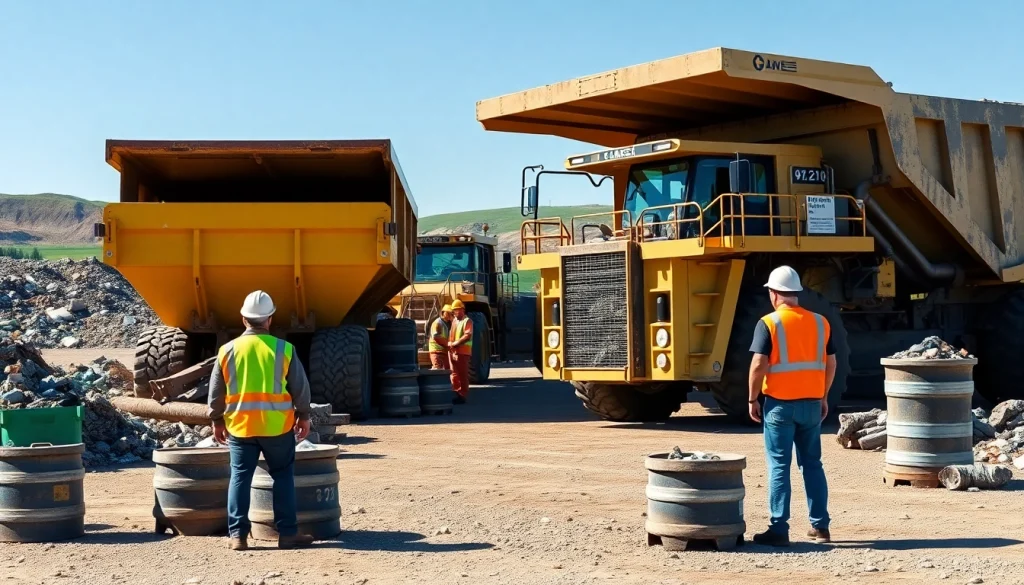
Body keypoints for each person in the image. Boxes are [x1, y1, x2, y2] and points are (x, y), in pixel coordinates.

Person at [208, 290, 315, 551]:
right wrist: (303, 416)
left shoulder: (227, 350)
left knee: (240, 478)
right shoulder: (284, 349)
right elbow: (300, 388)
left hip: (240, 426)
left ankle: (238, 536)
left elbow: (216, 392)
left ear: (244, 319)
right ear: (270, 319)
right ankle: (287, 534)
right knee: (283, 477)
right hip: (277, 426)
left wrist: (217, 420)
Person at [747, 266, 836, 547]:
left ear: (774, 294)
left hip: (780, 407)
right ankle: (820, 527)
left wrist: (752, 398)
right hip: (812, 405)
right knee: (812, 465)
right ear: (796, 293)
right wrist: (823, 396)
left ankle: (779, 529)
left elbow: (759, 364)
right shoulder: (821, 322)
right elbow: (831, 362)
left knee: (779, 466)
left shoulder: (769, 323)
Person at [448, 299, 473, 404]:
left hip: (463, 352)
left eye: (456, 310)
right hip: (453, 351)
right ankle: (456, 393)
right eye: (454, 311)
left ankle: (462, 395)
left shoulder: (467, 321)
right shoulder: (454, 321)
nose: (455, 312)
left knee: (462, 375)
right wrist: (450, 344)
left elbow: (467, 335)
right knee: (454, 374)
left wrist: (455, 343)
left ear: (462, 310)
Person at [428, 304, 453, 370]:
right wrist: (448, 344)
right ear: (443, 312)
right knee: (438, 370)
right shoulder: (437, 323)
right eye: (448, 313)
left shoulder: (448, 324)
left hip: (444, 351)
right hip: (436, 351)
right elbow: (436, 337)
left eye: (451, 313)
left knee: (446, 370)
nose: (450, 315)